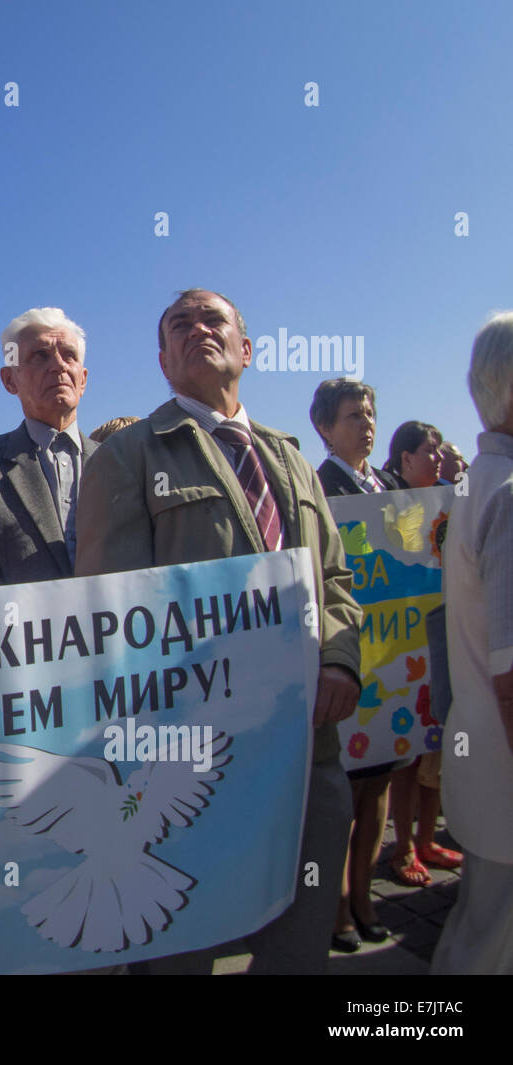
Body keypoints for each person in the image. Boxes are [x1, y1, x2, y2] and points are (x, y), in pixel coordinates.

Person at [74, 289, 361, 974]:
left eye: (214, 320)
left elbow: (338, 580)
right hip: (187, 766)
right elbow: (111, 616)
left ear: (248, 350)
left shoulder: (290, 457)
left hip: (307, 751)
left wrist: (342, 662)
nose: (198, 329)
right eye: (180, 324)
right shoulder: (128, 457)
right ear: (164, 358)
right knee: (181, 948)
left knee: (299, 947)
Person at [433, 312, 513, 973]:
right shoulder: (507, 492)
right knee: (492, 941)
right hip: (504, 758)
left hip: (484, 750)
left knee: (481, 925)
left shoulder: (476, 483)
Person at [308, 377, 398, 952]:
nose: (365, 423)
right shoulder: (319, 487)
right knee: (344, 793)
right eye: (351, 415)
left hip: (394, 660)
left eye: (369, 412)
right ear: (324, 427)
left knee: (380, 784)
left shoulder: (389, 487)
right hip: (344, 656)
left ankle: (365, 894)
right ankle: (337, 905)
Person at [0, 307, 98, 589]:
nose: (58, 366)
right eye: (40, 356)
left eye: (69, 355)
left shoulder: (120, 459)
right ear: (9, 380)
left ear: (84, 378)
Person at [381, 419, 458, 885]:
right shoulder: (387, 507)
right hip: (402, 647)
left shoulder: (454, 506)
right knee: (407, 758)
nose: (438, 458)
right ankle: (403, 847)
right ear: (405, 459)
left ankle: (429, 838)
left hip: (445, 643)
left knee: (439, 752)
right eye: (428, 450)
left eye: (438, 450)